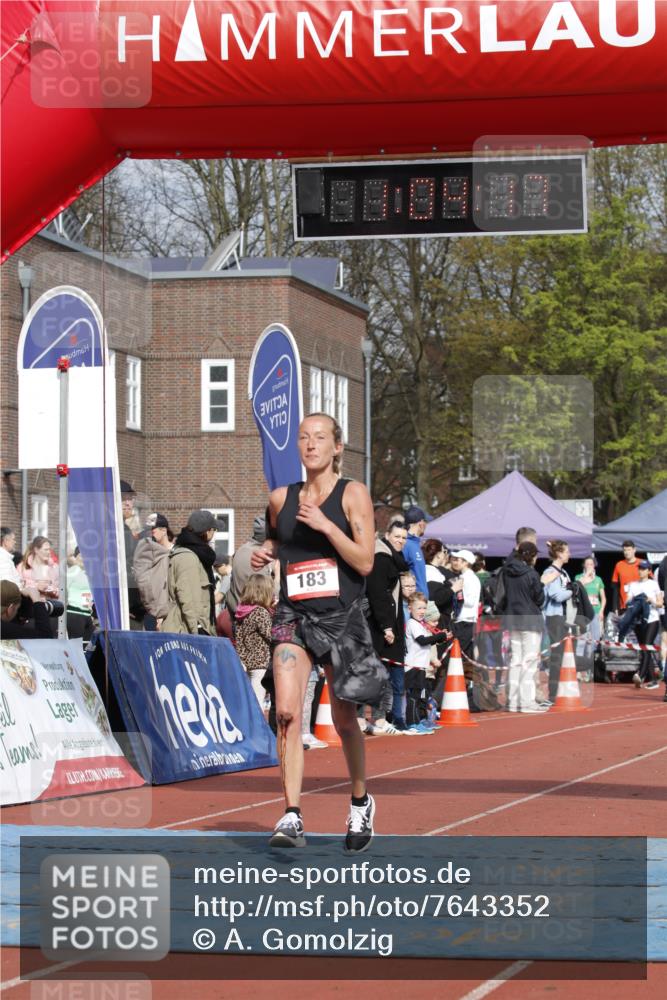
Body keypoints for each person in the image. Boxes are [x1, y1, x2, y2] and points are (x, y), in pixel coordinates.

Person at [250, 412, 383, 852]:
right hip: (293, 615)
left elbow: (365, 562)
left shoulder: (352, 494)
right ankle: (292, 814)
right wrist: (266, 552)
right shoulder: (280, 498)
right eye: (304, 437)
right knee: (287, 713)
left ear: (336, 446)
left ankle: (360, 802)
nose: (310, 444)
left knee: (344, 719)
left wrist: (326, 525)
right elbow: (278, 539)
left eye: (320, 437)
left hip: (341, 616)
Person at [365, 519, 409, 734]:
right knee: (378, 674)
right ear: (387, 536)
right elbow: (378, 593)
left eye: (404, 538)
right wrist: (387, 626)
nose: (400, 541)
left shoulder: (392, 558)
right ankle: (376, 720)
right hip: (377, 625)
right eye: (397, 536)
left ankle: (374, 719)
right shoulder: (381, 557)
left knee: (380, 673)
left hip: (383, 622)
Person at [161, 510, 223, 635]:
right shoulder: (188, 557)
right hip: (187, 631)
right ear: (207, 531)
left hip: (193, 628)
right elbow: (188, 599)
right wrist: (198, 631)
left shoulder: (197, 555)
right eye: (214, 530)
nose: (214, 534)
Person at [504, 541, 546, 713]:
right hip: (530, 620)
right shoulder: (532, 574)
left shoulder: (507, 571)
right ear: (532, 556)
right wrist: (542, 584)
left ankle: (513, 701)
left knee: (515, 661)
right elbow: (540, 599)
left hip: (512, 618)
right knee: (529, 661)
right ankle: (526, 701)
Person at [234, 574, 275, 708]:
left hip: (244, 662)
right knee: (257, 704)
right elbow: (272, 636)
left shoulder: (241, 611)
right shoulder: (260, 612)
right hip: (260, 663)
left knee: (247, 703)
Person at [541, 540, 573, 702]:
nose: (569, 554)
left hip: (564, 617)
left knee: (564, 656)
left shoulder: (564, 573)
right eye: (567, 551)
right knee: (557, 657)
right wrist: (573, 590)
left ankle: (561, 689)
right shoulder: (550, 572)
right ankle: (553, 693)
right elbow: (557, 595)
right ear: (559, 554)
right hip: (554, 618)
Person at [625, 560, 663, 690]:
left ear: (649, 571)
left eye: (643, 569)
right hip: (638, 621)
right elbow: (628, 601)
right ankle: (653, 680)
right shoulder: (633, 585)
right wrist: (632, 603)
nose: (640, 571)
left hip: (652, 619)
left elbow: (660, 603)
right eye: (639, 568)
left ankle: (640, 675)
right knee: (644, 649)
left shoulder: (654, 584)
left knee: (646, 647)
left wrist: (651, 600)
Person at [449, 550, 480, 706]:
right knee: (463, 659)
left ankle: (465, 694)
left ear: (466, 562)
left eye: (458, 559)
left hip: (465, 621)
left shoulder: (469, 578)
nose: (454, 562)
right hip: (463, 621)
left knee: (460, 659)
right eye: (454, 559)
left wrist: (456, 592)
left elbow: (470, 601)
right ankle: (463, 694)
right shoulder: (464, 577)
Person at [227, 514, 275, 616]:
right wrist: (278, 577)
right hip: (256, 619)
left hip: (238, 614)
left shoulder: (241, 550)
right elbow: (267, 595)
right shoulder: (259, 556)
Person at [133, 513, 173, 630]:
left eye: (152, 530)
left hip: (171, 612)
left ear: (164, 530)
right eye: (147, 530)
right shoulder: (146, 553)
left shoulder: (176, 553)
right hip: (151, 612)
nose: (149, 533)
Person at [575, 556, 606, 681]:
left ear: (595, 566)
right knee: (581, 641)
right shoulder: (579, 577)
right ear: (584, 565)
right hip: (583, 614)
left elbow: (603, 597)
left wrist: (602, 611)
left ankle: (590, 670)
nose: (589, 566)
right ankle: (578, 671)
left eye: (591, 564)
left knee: (594, 642)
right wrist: (587, 576)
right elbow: (577, 587)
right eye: (587, 564)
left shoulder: (598, 580)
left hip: (596, 612)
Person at [120, 480, 145, 629]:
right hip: (122, 610)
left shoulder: (125, 528)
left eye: (130, 499)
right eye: (124, 499)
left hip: (132, 607)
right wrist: (122, 606)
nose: (129, 503)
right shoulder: (111, 529)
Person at [66, 547, 94, 642]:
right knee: (76, 645)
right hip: (74, 614)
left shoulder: (87, 573)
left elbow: (86, 594)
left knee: (87, 645)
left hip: (86, 614)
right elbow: (64, 591)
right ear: (75, 557)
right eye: (82, 556)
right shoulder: (72, 571)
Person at [403, 506, 431, 595]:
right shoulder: (405, 544)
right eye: (426, 522)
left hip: (420, 600)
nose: (426, 525)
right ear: (421, 523)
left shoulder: (415, 543)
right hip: (412, 600)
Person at [611, 540, 641, 612]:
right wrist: (615, 607)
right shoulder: (619, 565)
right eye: (625, 550)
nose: (626, 552)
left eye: (629, 550)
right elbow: (615, 588)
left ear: (634, 550)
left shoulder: (642, 563)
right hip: (624, 605)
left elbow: (650, 583)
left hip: (640, 604)